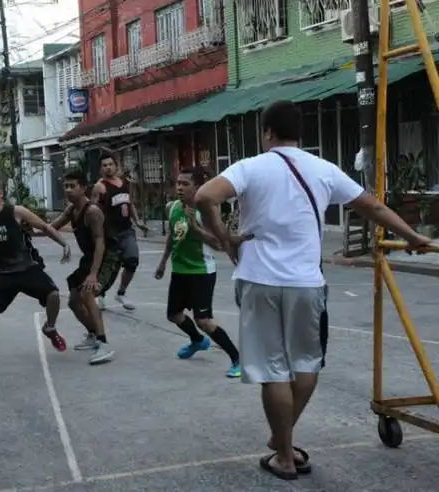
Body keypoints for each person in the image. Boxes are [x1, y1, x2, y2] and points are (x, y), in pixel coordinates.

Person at [194, 100, 432, 481]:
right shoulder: (323, 170)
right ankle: (282, 442)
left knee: (273, 370)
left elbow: (205, 197)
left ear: (268, 132)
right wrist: (414, 236)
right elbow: (373, 208)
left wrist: (226, 239)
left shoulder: (250, 167)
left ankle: (285, 455)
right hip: (306, 281)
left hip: (259, 280)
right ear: (299, 133)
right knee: (306, 364)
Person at [0, 179, 72, 376]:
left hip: (26, 269)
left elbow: (44, 226)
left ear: (0, 193)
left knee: (53, 295)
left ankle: (50, 328)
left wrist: (64, 243)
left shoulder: (16, 212)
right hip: (1, 275)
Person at [154, 167, 245, 378]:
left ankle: (237, 358)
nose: (179, 187)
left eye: (185, 184)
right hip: (180, 271)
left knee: (203, 320)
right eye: (178, 183)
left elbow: (219, 245)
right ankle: (197, 341)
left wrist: (195, 228)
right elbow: (172, 236)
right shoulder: (173, 207)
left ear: (197, 187)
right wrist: (163, 262)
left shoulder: (205, 212)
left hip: (201, 271)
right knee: (173, 315)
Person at [47, 170, 118, 365]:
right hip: (89, 258)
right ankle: (94, 334)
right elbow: (51, 227)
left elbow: (100, 243)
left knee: (87, 292)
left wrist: (93, 275)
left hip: (108, 257)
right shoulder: (72, 210)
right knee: (73, 302)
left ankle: (103, 344)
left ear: (83, 188)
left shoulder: (92, 211)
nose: (68, 190)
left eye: (73, 186)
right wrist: (26, 229)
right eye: (66, 186)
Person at [91, 152, 148, 311]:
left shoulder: (124, 183)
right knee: (110, 267)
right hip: (110, 232)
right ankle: (100, 294)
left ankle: (121, 292)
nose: (108, 168)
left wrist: (138, 222)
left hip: (126, 230)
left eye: (110, 164)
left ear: (116, 165)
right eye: (105, 165)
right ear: (101, 168)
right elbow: (92, 210)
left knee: (132, 260)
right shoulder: (100, 186)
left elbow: (130, 205)